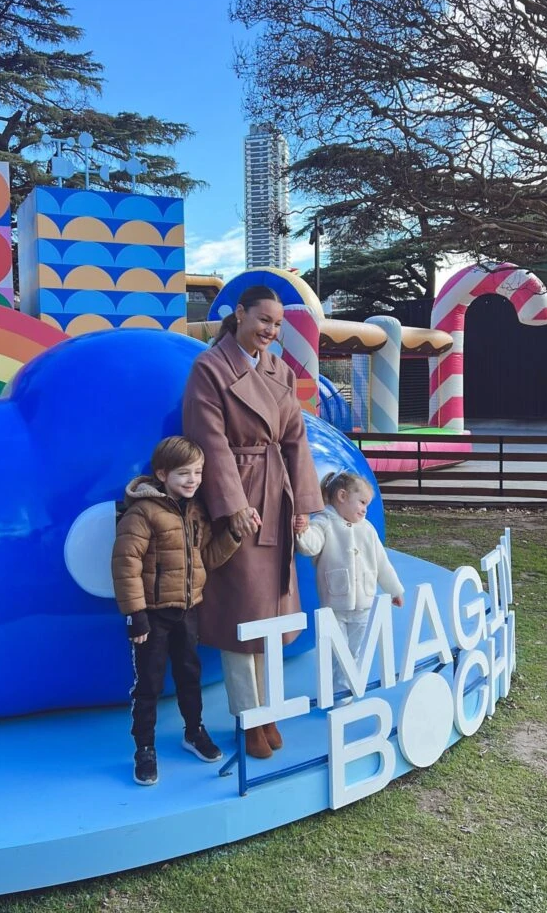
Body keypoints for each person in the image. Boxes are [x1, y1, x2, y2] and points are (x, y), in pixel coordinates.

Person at [182, 284, 323, 759]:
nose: (271, 331)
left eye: (278, 324)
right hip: (240, 502)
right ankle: (247, 717)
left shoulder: (278, 369)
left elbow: (296, 439)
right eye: (264, 320)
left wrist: (303, 500)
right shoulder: (210, 367)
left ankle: (267, 710)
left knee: (272, 611)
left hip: (277, 497)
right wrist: (234, 505)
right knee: (243, 611)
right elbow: (209, 441)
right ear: (239, 314)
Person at [111, 435, 241, 785]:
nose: (193, 479)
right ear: (162, 473)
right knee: (149, 684)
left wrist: (233, 535)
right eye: (185, 473)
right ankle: (144, 748)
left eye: (198, 472)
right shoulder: (143, 512)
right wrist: (136, 613)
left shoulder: (196, 511)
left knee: (190, 676)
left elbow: (206, 559)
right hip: (152, 616)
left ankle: (193, 731)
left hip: (188, 611)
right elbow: (126, 564)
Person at [295, 470, 405, 701]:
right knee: (337, 651)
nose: (365, 509)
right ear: (342, 496)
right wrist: (301, 531)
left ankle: (343, 689)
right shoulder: (323, 523)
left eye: (367, 504)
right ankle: (339, 695)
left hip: (363, 603)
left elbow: (382, 564)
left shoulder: (367, 529)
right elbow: (310, 547)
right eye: (362, 502)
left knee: (354, 651)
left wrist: (395, 590)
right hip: (335, 604)